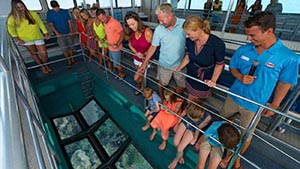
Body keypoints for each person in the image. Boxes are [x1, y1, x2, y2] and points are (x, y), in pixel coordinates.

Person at [219, 12, 299, 169]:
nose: (249, 39)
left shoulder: (289, 58)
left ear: (269, 31)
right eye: (247, 35)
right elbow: (233, 68)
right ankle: (218, 145)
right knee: (223, 122)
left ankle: (233, 157)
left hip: (254, 105)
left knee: (245, 135)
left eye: (253, 35)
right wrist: (241, 77)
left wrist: (275, 105)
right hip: (233, 97)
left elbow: (285, 83)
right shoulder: (245, 49)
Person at [139, 3, 186, 101]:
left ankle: (174, 99)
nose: (160, 23)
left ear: (170, 16)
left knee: (181, 85)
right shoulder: (159, 29)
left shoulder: (184, 24)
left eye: (162, 20)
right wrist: (144, 63)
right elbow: (153, 47)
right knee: (161, 83)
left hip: (181, 64)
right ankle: (162, 98)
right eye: (158, 20)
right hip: (164, 64)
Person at [175, 16, 225, 101]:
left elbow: (219, 64)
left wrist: (213, 80)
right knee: (191, 94)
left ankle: (189, 110)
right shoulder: (190, 40)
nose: (186, 36)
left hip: (205, 77)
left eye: (189, 34)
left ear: (198, 30)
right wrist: (180, 67)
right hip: (192, 73)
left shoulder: (217, 43)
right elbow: (188, 56)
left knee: (192, 99)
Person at [7, 0, 51, 74]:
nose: (21, 9)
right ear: (15, 8)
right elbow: (11, 29)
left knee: (44, 53)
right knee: (34, 53)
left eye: (22, 6)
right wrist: (17, 39)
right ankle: (42, 67)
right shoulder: (12, 18)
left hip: (38, 37)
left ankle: (45, 65)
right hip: (26, 40)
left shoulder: (32, 13)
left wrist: (45, 33)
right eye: (18, 8)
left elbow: (40, 23)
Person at [168, 102, 212, 169]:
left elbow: (198, 128)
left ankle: (176, 160)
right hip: (186, 121)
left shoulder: (207, 118)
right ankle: (180, 154)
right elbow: (182, 115)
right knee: (175, 142)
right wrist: (177, 124)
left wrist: (195, 138)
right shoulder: (190, 106)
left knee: (180, 148)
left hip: (194, 127)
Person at [124, 11, 153, 95]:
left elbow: (154, 46)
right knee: (140, 74)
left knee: (137, 77)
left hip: (145, 58)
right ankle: (140, 85)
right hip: (136, 58)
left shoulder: (147, 31)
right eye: (129, 25)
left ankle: (142, 88)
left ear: (138, 21)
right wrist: (136, 53)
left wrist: (144, 54)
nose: (131, 27)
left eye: (133, 24)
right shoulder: (131, 31)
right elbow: (130, 44)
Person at [96, 8, 126, 80]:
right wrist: (104, 39)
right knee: (113, 61)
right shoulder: (105, 23)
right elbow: (108, 34)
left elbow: (123, 34)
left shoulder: (115, 23)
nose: (102, 20)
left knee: (117, 64)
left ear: (106, 14)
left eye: (103, 18)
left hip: (115, 48)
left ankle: (122, 73)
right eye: (100, 19)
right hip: (110, 46)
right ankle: (119, 72)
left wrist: (117, 44)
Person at [47, 0, 77, 69]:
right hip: (59, 34)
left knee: (70, 47)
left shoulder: (65, 11)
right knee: (64, 48)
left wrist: (71, 31)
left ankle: (72, 59)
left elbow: (69, 22)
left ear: (59, 6)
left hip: (68, 32)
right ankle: (68, 61)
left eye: (57, 7)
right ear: (52, 7)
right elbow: (51, 24)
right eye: (54, 8)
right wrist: (57, 33)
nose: (56, 9)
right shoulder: (49, 13)